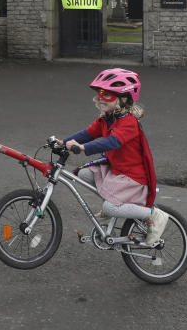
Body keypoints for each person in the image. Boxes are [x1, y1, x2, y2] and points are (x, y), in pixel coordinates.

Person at [59, 67, 170, 246]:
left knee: (109, 206)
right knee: (83, 175)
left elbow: (112, 142)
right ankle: (116, 204)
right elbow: (87, 133)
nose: (101, 98)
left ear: (123, 99)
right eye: (99, 93)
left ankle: (154, 215)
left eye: (107, 95)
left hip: (133, 178)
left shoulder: (129, 122)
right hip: (117, 171)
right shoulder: (107, 118)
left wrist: (82, 148)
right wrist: (63, 143)